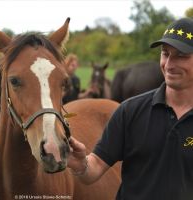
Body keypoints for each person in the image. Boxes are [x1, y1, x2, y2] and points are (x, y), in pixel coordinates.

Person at [68, 17, 193, 200]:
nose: (169, 64)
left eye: (181, 56)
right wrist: (81, 165)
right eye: (165, 54)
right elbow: (93, 169)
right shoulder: (130, 111)